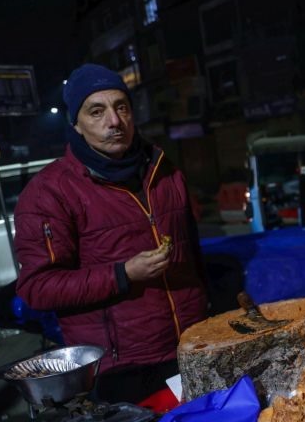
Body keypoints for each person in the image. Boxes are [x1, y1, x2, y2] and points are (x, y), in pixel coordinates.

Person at [14, 64, 208, 403]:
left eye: (121, 107)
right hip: (122, 370)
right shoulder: (48, 193)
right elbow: (37, 288)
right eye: (96, 111)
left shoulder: (166, 172)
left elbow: (194, 254)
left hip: (193, 347)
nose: (114, 121)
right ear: (76, 123)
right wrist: (122, 274)